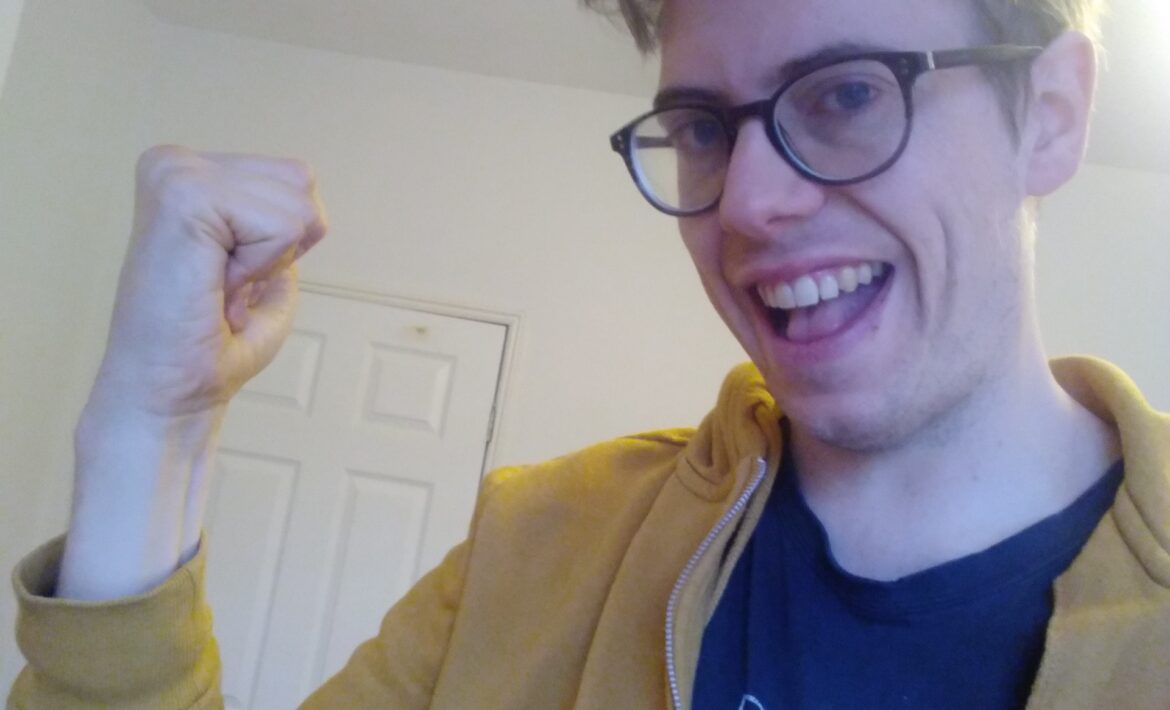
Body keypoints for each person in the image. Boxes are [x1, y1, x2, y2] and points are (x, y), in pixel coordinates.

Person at [9, 0, 1169, 707]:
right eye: (708, 127)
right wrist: (147, 430)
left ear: (1053, 114)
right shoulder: (538, 546)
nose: (751, 204)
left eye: (849, 94)